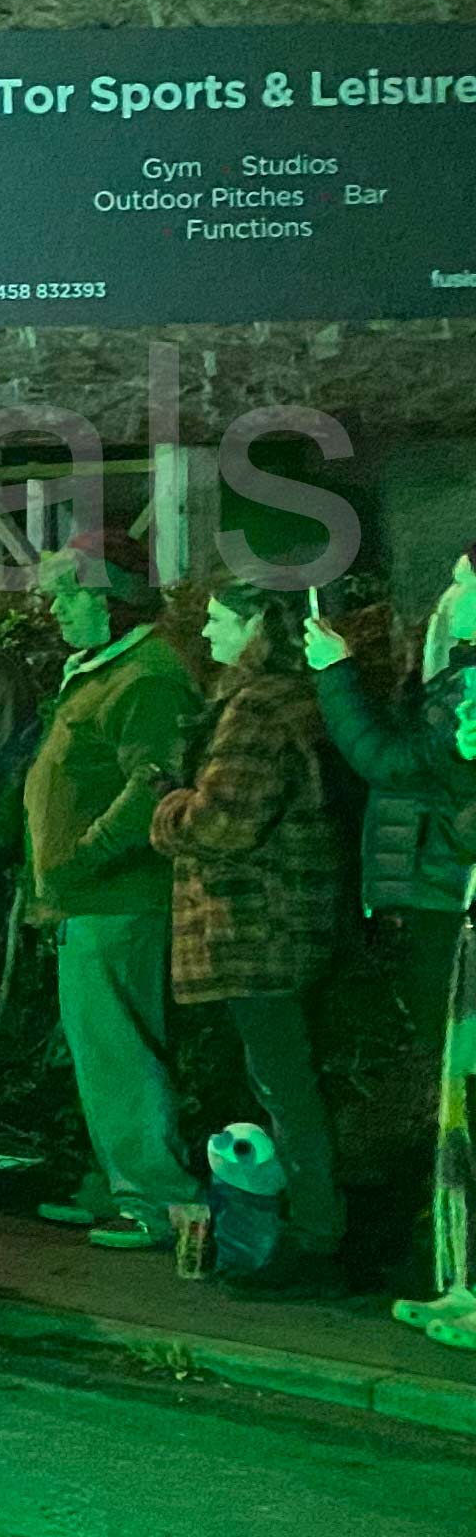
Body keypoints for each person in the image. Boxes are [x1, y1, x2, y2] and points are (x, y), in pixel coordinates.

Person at [148, 580, 344, 1294]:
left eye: (218, 621)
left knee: (284, 1086)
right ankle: (301, 1229)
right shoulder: (293, 698)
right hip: (288, 920)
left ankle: (317, 1238)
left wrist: (168, 806)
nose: (206, 634)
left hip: (258, 925)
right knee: (285, 1081)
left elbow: (222, 821)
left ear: (257, 624)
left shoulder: (259, 708)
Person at [306, 556, 476, 1340]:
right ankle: (458, 1277)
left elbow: (397, 764)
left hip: (451, 901)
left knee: (459, 1087)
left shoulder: (463, 689)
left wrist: (337, 675)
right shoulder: (453, 682)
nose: (449, 595)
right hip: (448, 900)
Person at [20, 531, 205, 1243]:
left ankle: (156, 1203)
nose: (56, 609)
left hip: (118, 901)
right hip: (91, 900)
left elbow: (154, 782)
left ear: (112, 599)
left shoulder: (146, 676)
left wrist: (78, 860)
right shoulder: (109, 668)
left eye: (70, 594)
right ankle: (119, 1183)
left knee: (121, 1053)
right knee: (104, 1053)